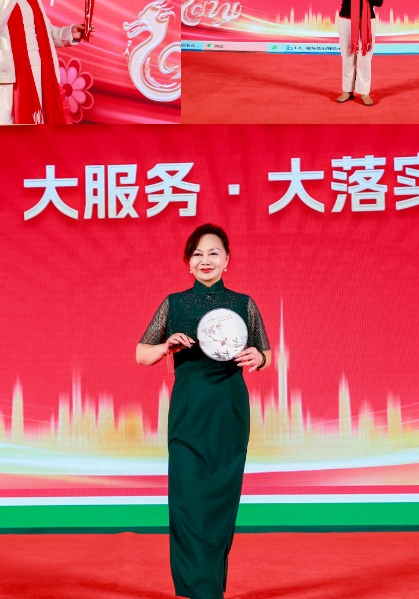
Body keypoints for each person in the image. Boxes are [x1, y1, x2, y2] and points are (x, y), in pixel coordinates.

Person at [136, 224, 271, 599]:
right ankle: (198, 590)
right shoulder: (174, 304)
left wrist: (258, 358)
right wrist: (166, 346)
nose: (205, 260)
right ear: (188, 263)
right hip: (188, 408)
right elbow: (141, 354)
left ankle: (208, 589)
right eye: (197, 254)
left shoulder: (243, 304)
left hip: (228, 408)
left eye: (213, 253)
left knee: (220, 502)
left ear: (227, 260)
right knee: (187, 500)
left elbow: (265, 352)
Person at [335, 0, 383, 107]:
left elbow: (380, 1)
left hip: (367, 22)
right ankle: (347, 90)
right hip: (347, 21)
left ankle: (364, 91)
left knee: (365, 57)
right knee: (348, 55)